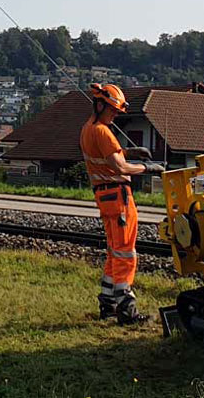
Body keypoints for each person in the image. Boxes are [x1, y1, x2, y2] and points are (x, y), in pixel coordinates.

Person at [80, 83, 165, 323]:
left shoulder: (88, 129)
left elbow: (110, 155)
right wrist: (148, 167)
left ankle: (107, 303)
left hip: (104, 197)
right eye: (113, 111)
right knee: (126, 253)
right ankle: (126, 309)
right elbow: (119, 167)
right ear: (100, 105)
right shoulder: (103, 132)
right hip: (118, 197)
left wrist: (129, 151)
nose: (115, 115)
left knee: (114, 251)